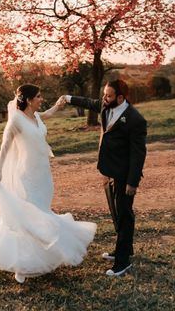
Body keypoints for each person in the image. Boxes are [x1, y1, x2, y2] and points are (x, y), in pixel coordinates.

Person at [0, 84, 96, 283]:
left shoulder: (36, 116)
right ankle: (21, 266)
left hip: (43, 174)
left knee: (42, 213)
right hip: (27, 176)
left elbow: (46, 114)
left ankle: (42, 256)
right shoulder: (16, 120)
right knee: (28, 219)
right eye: (39, 96)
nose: (41, 99)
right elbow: (5, 147)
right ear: (29, 100)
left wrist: (58, 105)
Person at [57, 79, 147, 277]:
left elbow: (138, 154)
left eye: (108, 95)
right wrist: (68, 98)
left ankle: (123, 262)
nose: (104, 98)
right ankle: (124, 249)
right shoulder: (106, 107)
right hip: (107, 170)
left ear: (121, 98)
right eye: (104, 94)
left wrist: (133, 182)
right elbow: (89, 102)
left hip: (124, 175)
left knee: (124, 215)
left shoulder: (135, 119)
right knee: (116, 213)